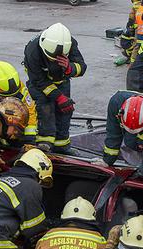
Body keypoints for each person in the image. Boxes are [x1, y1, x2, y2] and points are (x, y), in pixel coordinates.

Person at [24, 23, 86, 154]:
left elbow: (82, 67)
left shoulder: (69, 42)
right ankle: (44, 145)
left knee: (65, 111)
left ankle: (62, 146)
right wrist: (59, 97)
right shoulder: (32, 50)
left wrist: (70, 68)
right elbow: (39, 80)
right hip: (39, 84)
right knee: (45, 109)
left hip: (61, 81)